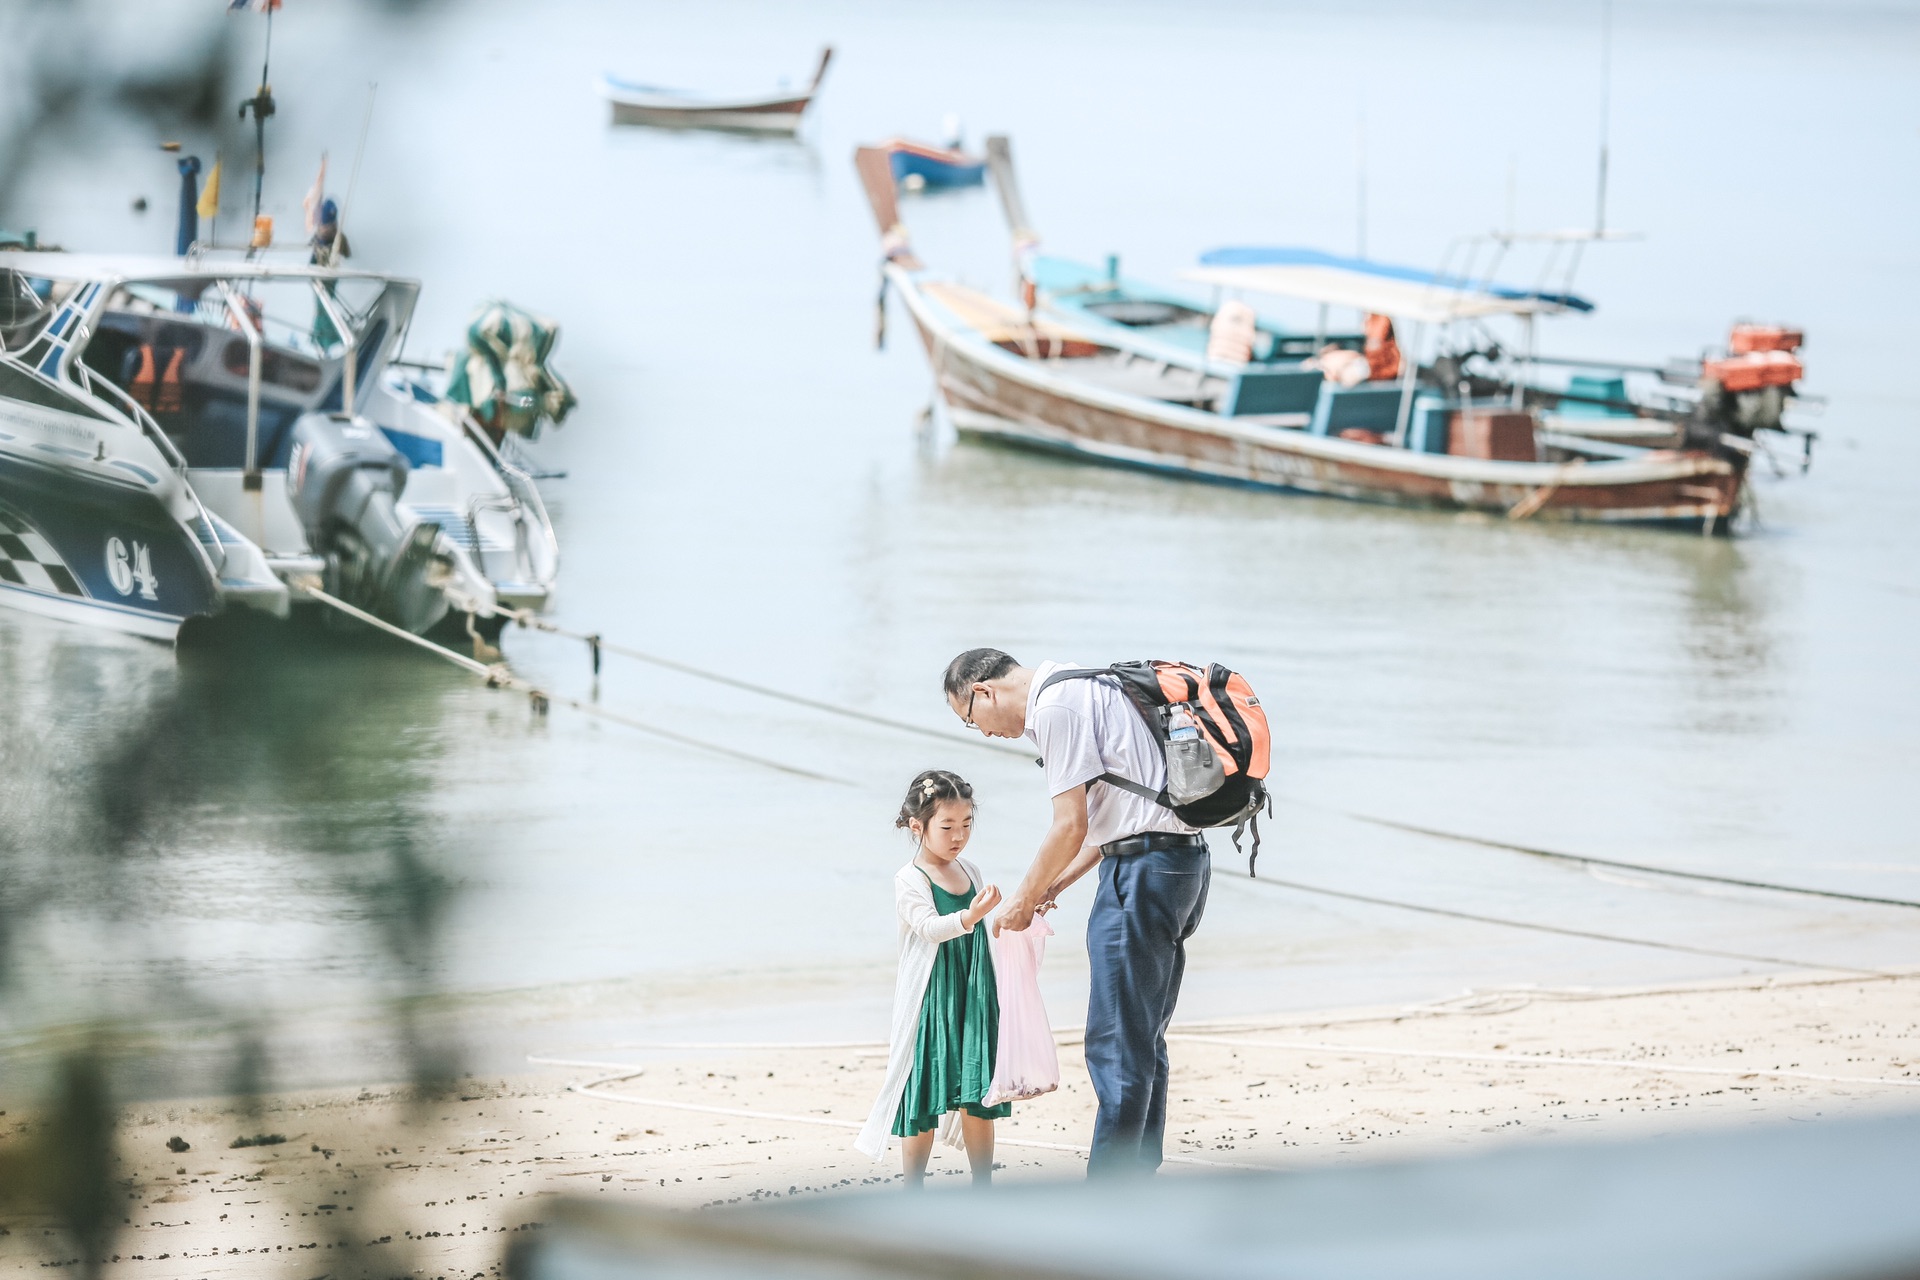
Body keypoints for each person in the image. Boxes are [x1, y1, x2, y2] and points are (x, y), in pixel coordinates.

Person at [943, 649, 1208, 1177]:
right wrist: (1053, 885)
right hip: (1180, 863)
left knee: (1115, 1039)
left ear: (984, 691)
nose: (984, 733)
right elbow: (1110, 817)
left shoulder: (1054, 709)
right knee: (1142, 1034)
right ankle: (1136, 1177)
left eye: (971, 720)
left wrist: (1021, 899)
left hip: (1143, 872)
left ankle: (1109, 1194)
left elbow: (1069, 824)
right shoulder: (1087, 683)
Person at [854, 770, 1006, 1187]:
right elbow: (929, 928)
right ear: (917, 826)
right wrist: (971, 915)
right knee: (922, 1088)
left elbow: (979, 936)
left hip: (972, 990)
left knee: (976, 1089)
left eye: (967, 824)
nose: (959, 836)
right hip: (932, 996)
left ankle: (983, 1186)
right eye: (947, 827)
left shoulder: (969, 870)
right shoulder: (910, 879)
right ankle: (913, 1187)